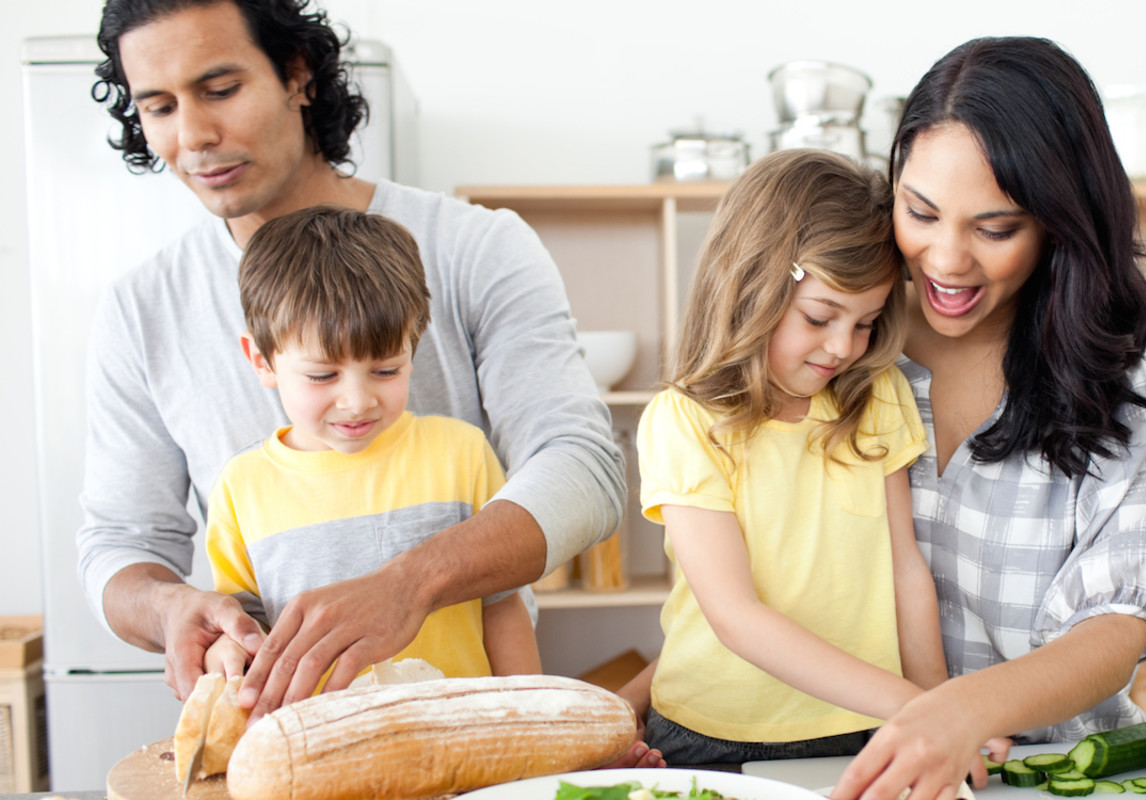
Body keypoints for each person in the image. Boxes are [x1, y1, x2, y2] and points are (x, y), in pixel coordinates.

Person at [81, 0, 628, 728]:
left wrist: (412, 583)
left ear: (298, 75)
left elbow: (584, 469)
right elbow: (121, 544)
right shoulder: (140, 309)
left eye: (220, 90)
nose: (193, 136)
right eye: (158, 106)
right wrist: (168, 604)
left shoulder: (476, 247)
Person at [830, 36, 1146, 800]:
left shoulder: (1138, 368)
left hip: (1055, 775)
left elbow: (1114, 626)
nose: (944, 260)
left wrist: (959, 714)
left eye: (995, 228)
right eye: (921, 212)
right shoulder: (841, 340)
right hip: (846, 763)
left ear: (1061, 220)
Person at [633, 149, 960, 764]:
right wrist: (912, 705)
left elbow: (905, 570)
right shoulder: (684, 421)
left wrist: (938, 705)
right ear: (750, 286)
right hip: (712, 735)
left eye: (865, 323)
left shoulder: (876, 395)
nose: (843, 346)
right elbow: (736, 617)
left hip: (865, 725)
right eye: (820, 316)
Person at [200, 204, 539, 683]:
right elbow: (244, 634)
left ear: (413, 347)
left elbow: (502, 608)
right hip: (319, 748)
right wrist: (224, 654)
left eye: (386, 370)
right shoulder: (241, 486)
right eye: (322, 375)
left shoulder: (462, 454)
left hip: (462, 742)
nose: (357, 402)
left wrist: (528, 725)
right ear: (262, 360)